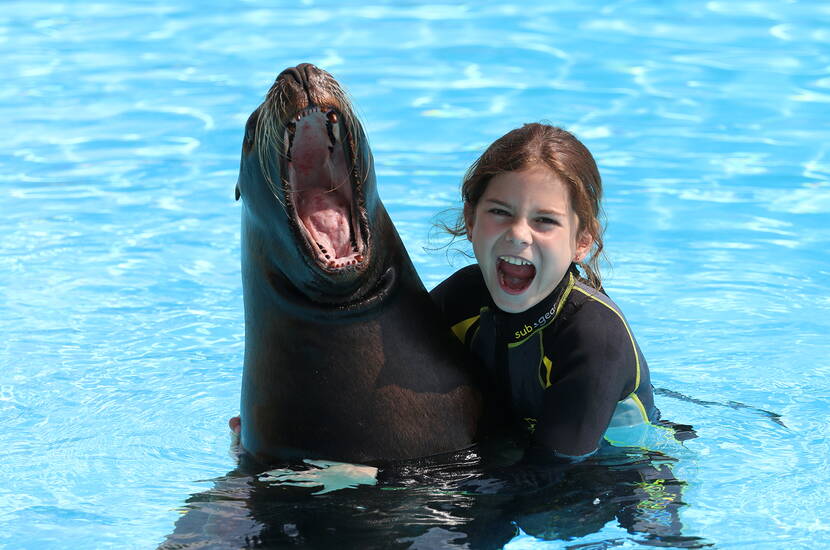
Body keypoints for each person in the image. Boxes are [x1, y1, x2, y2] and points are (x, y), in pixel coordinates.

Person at [430, 123, 659, 461]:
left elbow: (552, 474)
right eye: (500, 212)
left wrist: (389, 477)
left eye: (545, 221)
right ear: (470, 220)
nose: (519, 234)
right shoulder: (463, 299)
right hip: (522, 454)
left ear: (582, 241)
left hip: (624, 477)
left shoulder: (594, 336)